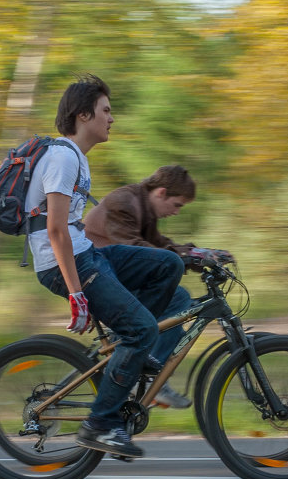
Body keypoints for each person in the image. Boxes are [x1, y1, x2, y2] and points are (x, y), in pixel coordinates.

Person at [26, 74, 184, 459]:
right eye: (106, 111)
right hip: (66, 263)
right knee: (143, 328)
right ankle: (101, 425)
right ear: (84, 115)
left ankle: (132, 345)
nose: (112, 118)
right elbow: (55, 229)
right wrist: (76, 293)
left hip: (87, 255)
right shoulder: (63, 157)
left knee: (169, 267)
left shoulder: (76, 158)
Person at [83, 165, 233, 409]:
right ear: (161, 193)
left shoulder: (142, 206)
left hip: (114, 276)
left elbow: (159, 245)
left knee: (176, 304)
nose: (176, 212)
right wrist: (191, 257)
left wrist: (199, 253)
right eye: (177, 205)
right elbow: (135, 248)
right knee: (177, 299)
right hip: (96, 279)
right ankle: (145, 374)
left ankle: (144, 372)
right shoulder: (124, 202)